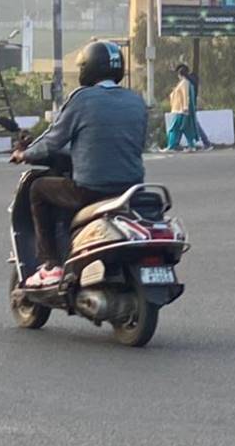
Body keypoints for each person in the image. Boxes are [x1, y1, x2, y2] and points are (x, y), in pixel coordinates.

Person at [11, 41, 147, 288]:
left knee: (38, 189)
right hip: (130, 189)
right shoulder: (135, 100)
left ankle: (51, 265)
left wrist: (24, 154)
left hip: (91, 189)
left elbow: (52, 140)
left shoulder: (82, 99)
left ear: (88, 68)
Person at [162, 65, 200, 152]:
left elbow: (185, 95)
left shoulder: (184, 83)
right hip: (180, 109)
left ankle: (171, 146)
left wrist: (185, 107)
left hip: (181, 110)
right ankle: (190, 146)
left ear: (180, 74)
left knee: (175, 128)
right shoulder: (184, 83)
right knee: (185, 129)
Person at [187, 68, 213, 152]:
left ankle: (205, 143)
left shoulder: (190, 85)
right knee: (193, 125)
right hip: (191, 106)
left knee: (194, 125)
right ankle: (197, 144)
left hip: (190, 107)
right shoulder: (194, 85)